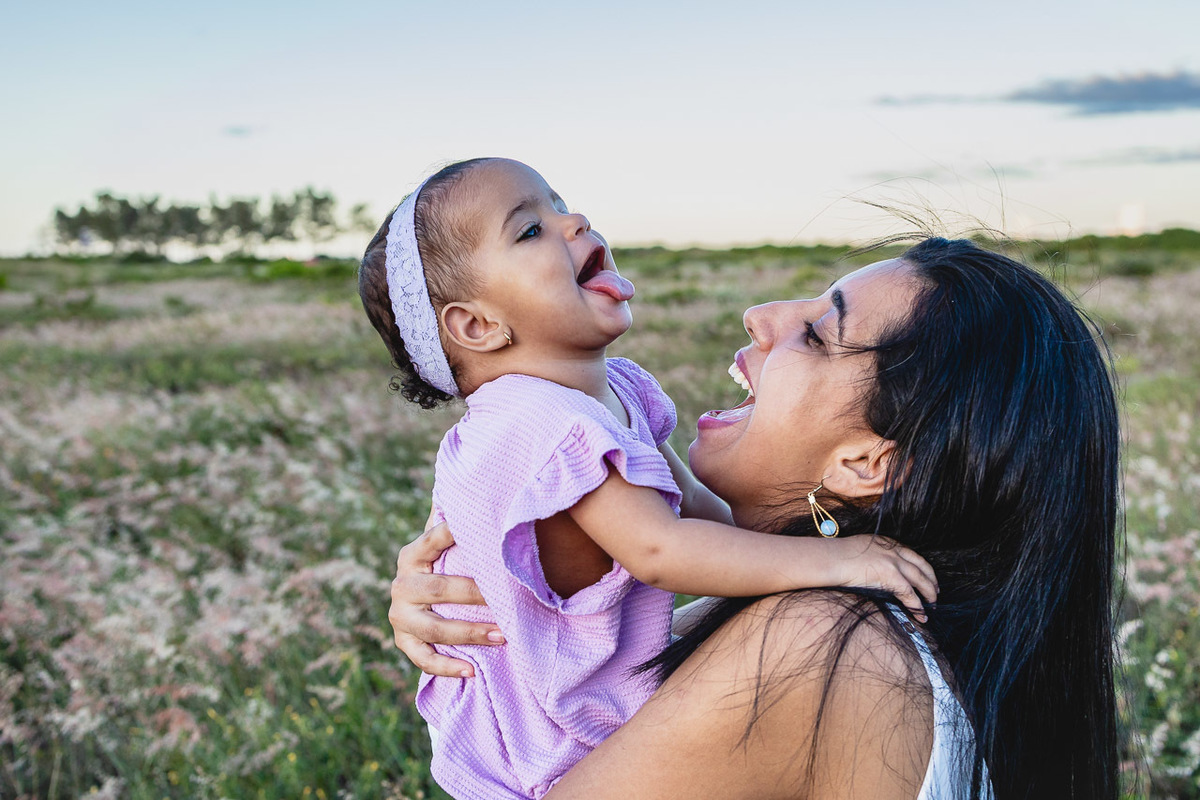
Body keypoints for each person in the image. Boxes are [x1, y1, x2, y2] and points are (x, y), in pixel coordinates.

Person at [389, 237, 1121, 799]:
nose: (764, 316)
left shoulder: (819, 640)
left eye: (818, 334)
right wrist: (491, 622)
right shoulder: (839, 617)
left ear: (867, 463)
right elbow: (603, 663)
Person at [357, 158, 938, 800]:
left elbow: (696, 510)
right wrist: (834, 557)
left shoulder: (614, 392)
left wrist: (807, 546)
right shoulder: (536, 421)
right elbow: (660, 549)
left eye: (560, 204)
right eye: (529, 231)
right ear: (478, 326)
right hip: (550, 742)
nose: (572, 220)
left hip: (600, 712)